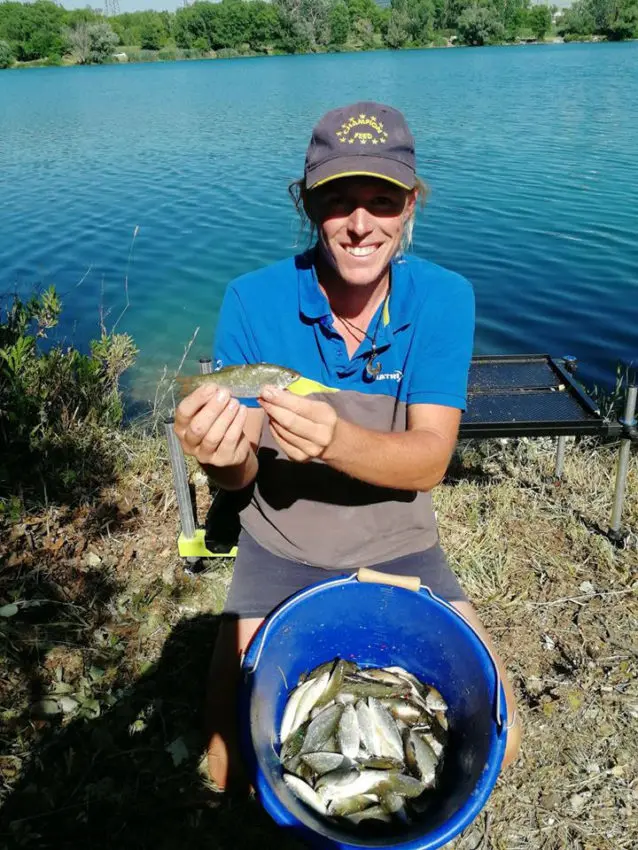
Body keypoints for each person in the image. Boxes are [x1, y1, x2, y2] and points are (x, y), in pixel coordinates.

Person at [173, 101, 521, 791]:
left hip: (400, 541)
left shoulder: (443, 298)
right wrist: (220, 457)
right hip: (280, 546)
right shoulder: (253, 300)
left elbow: (427, 460)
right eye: (338, 201)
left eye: (381, 200)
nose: (361, 224)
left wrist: (334, 440)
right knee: (230, 767)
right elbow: (240, 478)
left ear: (410, 205)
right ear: (309, 205)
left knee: (497, 743)